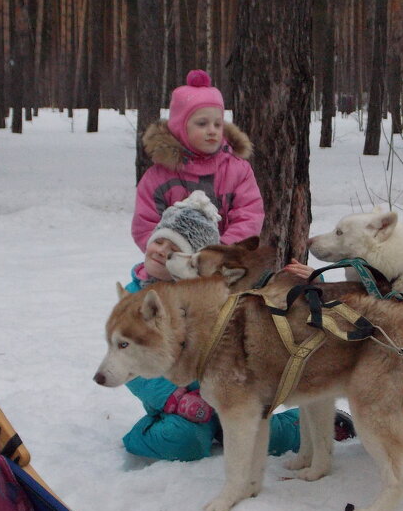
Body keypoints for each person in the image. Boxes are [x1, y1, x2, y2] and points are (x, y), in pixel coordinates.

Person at [122, 191, 306, 461]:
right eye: (159, 241)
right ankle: (139, 436)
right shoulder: (134, 302)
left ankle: (305, 424)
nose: (162, 251)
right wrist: (174, 398)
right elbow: (129, 363)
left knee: (265, 436)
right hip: (174, 404)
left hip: (225, 393)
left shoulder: (208, 300)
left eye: (174, 249)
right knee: (184, 441)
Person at [132, 70, 264, 252]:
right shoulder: (158, 176)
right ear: (180, 127)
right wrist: (170, 253)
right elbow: (145, 225)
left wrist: (220, 252)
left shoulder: (237, 170)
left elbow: (249, 216)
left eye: (218, 124)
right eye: (202, 124)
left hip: (224, 264)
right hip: (172, 265)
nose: (212, 130)